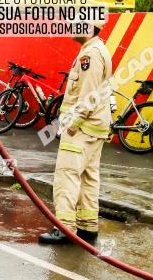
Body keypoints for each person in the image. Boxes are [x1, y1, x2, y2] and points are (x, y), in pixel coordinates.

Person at [39, 17, 112, 244]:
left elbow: (88, 94)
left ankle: (64, 228)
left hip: (81, 129)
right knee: (89, 177)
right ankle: (87, 227)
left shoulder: (90, 55)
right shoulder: (97, 50)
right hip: (94, 128)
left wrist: (74, 123)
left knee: (67, 176)